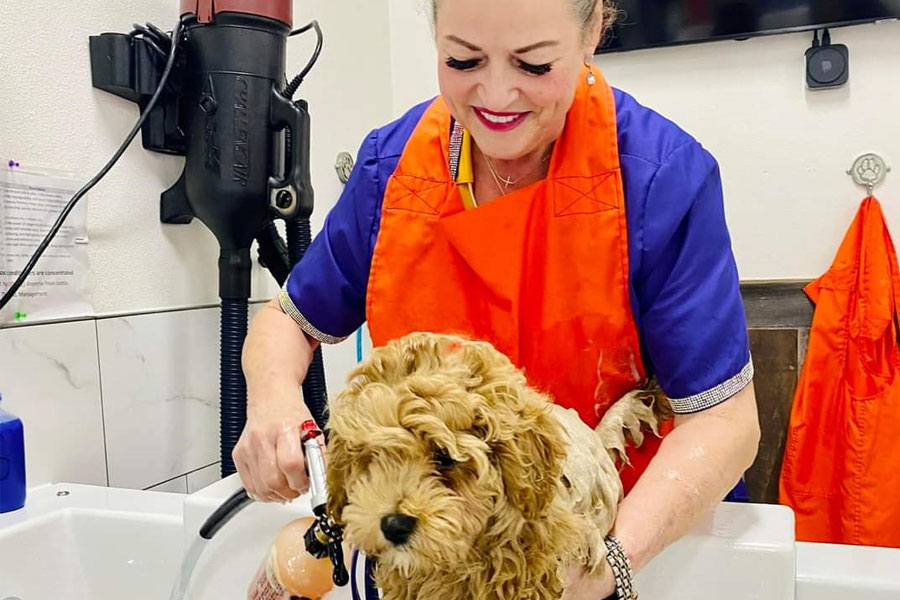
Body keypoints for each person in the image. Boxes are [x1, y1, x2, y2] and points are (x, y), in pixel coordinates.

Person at [235, 0, 761, 597]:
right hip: (439, 547)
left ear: (593, 30)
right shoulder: (393, 166)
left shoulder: (656, 176)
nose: (497, 95)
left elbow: (725, 422)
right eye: (463, 59)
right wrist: (273, 400)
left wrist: (602, 568)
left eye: (534, 65)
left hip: (631, 528)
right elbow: (287, 322)